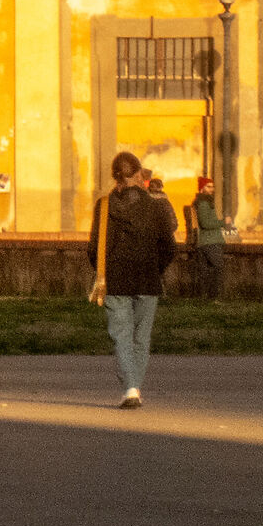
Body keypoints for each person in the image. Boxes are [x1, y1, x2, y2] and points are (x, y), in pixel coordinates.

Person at [89, 149, 177, 408]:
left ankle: (130, 388)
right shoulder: (156, 206)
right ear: (139, 174)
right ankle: (134, 387)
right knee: (141, 337)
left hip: (115, 280)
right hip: (148, 279)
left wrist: (103, 270)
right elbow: (169, 247)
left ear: (115, 177)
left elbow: (94, 247)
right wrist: (157, 269)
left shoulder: (104, 206)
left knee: (121, 336)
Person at [185, 176, 228, 298]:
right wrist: (223, 222)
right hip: (210, 241)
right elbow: (205, 223)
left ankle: (204, 297)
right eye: (208, 187)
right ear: (202, 188)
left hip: (205, 241)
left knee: (204, 271)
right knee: (217, 268)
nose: (212, 189)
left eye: (212, 187)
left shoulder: (203, 202)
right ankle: (214, 297)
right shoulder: (203, 203)